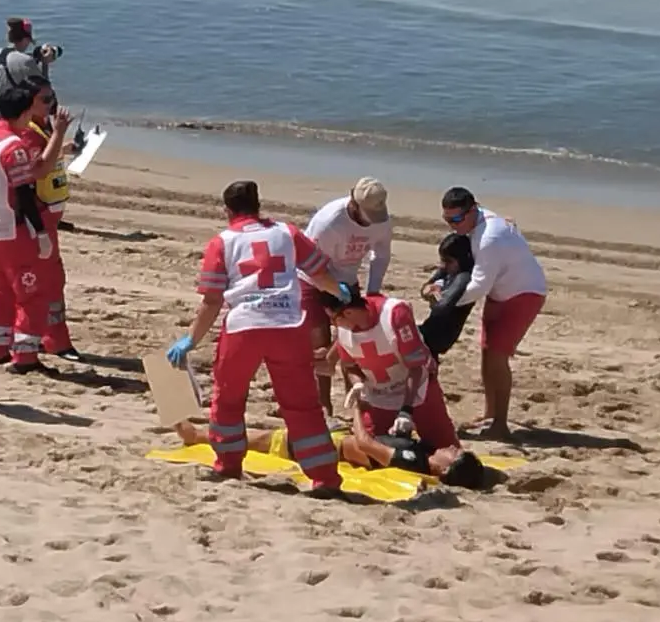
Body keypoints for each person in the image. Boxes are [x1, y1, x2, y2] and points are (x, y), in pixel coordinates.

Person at [165, 180, 350, 497]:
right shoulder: (287, 233)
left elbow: (212, 301)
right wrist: (339, 291)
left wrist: (190, 340)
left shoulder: (222, 242)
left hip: (244, 328)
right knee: (302, 405)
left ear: (227, 210)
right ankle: (324, 477)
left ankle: (229, 464)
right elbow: (319, 274)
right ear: (258, 204)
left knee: (228, 397)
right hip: (288, 326)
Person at [0, 84, 72, 372]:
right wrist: (40, 232)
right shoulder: (13, 147)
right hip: (14, 230)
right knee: (31, 294)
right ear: (25, 112)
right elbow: (25, 192)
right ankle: (26, 357)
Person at [172, 398, 484, 487]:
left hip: (320, 446)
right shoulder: (420, 456)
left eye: (454, 454)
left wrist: (357, 409)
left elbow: (365, 444)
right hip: (329, 441)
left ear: (445, 469)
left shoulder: (412, 461)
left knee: (260, 440)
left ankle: (196, 436)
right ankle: (200, 432)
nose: (452, 448)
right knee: (260, 435)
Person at [441, 187, 548, 440]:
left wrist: (445, 304)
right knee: (487, 353)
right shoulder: (477, 224)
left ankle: (501, 424)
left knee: (498, 357)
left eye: (457, 220)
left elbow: (478, 286)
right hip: (500, 293)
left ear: (473, 209)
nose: (453, 226)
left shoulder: (489, 238)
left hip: (524, 294)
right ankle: (490, 414)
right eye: (447, 220)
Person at [318, 282, 461, 456]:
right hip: (378, 396)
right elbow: (350, 366)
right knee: (367, 451)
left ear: (348, 312)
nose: (334, 324)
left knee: (448, 452)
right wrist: (357, 385)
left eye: (334, 319)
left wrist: (406, 411)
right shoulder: (344, 331)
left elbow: (415, 367)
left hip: (418, 391)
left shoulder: (394, 315)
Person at [303, 177, 394, 416]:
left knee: (352, 341)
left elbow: (381, 255)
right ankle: (323, 407)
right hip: (312, 279)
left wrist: (373, 290)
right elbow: (311, 264)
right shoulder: (329, 222)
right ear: (353, 201)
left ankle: (356, 405)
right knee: (320, 341)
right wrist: (332, 290)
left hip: (347, 279)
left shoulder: (381, 221)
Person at [20, 76, 79, 360]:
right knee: (50, 280)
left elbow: (47, 156)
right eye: (45, 99)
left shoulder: (43, 128)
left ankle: (48, 337)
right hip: (39, 214)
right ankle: (55, 340)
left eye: (52, 98)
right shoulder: (29, 131)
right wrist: (58, 134)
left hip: (51, 211)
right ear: (29, 102)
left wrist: (64, 146)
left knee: (52, 278)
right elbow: (39, 167)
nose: (52, 104)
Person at [418, 233, 477, 357]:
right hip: (430, 328)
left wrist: (433, 296)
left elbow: (442, 307)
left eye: (449, 261)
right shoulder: (448, 270)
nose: (444, 265)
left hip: (441, 337)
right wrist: (428, 290)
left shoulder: (463, 278)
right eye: (442, 260)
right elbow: (426, 287)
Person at [0, 17, 61, 97]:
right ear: (25, 39)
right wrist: (45, 63)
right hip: (19, 107)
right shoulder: (26, 61)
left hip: (3, 105)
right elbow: (45, 92)